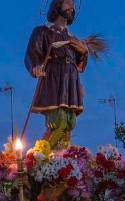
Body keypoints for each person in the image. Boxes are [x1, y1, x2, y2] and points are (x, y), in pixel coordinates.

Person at [24, 0, 90, 149]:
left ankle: (63, 154)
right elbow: (32, 53)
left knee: (69, 121)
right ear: (57, 5)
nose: (71, 7)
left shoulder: (73, 38)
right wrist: (35, 67)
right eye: (67, 3)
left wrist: (84, 51)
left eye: (72, 5)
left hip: (70, 80)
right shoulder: (42, 31)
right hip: (55, 77)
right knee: (57, 119)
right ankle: (43, 155)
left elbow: (80, 65)